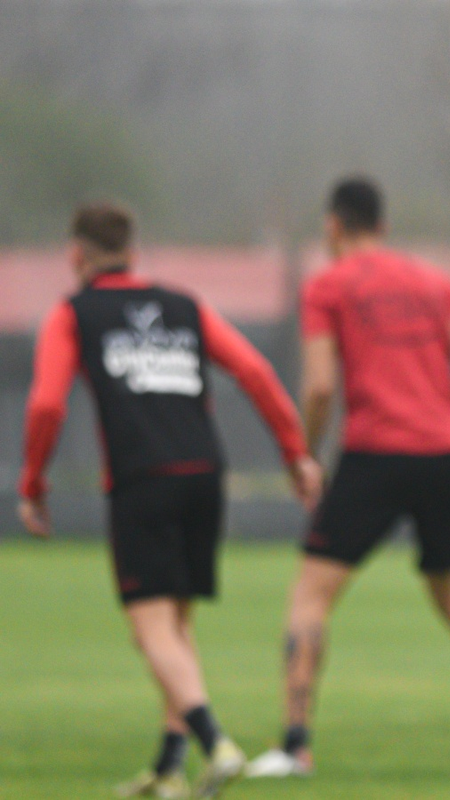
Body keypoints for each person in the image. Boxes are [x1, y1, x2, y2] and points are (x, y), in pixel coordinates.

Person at [17, 202, 322, 799]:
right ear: (134, 251)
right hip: (204, 472)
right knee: (173, 628)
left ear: (75, 255)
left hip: (142, 477)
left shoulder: (73, 314)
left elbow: (47, 405)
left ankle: (217, 743)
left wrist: (33, 484)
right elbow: (255, 372)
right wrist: (295, 453)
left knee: (150, 629)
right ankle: (168, 766)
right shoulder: (185, 305)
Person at [244, 177, 450, 779]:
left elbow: (321, 385)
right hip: (443, 454)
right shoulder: (437, 281)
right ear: (381, 222)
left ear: (333, 226)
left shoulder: (327, 285)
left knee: (311, 594)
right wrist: (447, 419)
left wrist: (306, 453)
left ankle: (294, 745)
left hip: (374, 454)